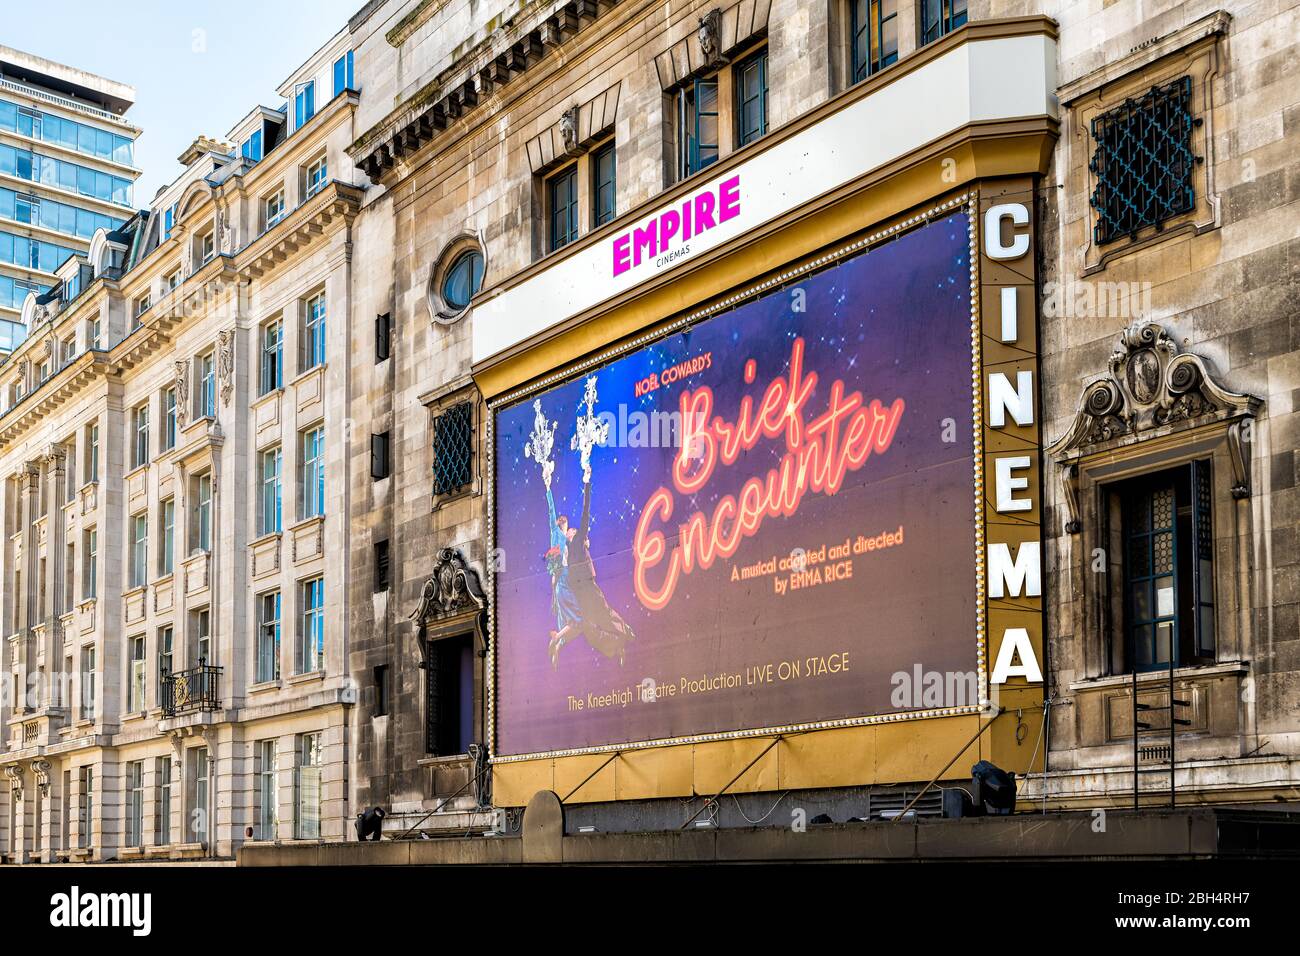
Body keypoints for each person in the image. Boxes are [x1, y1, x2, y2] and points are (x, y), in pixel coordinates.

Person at [548, 471, 635, 666]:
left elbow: (585, 513)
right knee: (588, 629)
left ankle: (625, 634)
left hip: (587, 585)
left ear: (576, 534)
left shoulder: (578, 540)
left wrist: (586, 485)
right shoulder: (564, 548)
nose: (569, 530)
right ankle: (615, 646)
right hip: (577, 591)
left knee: (604, 613)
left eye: (572, 529)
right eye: (568, 530)